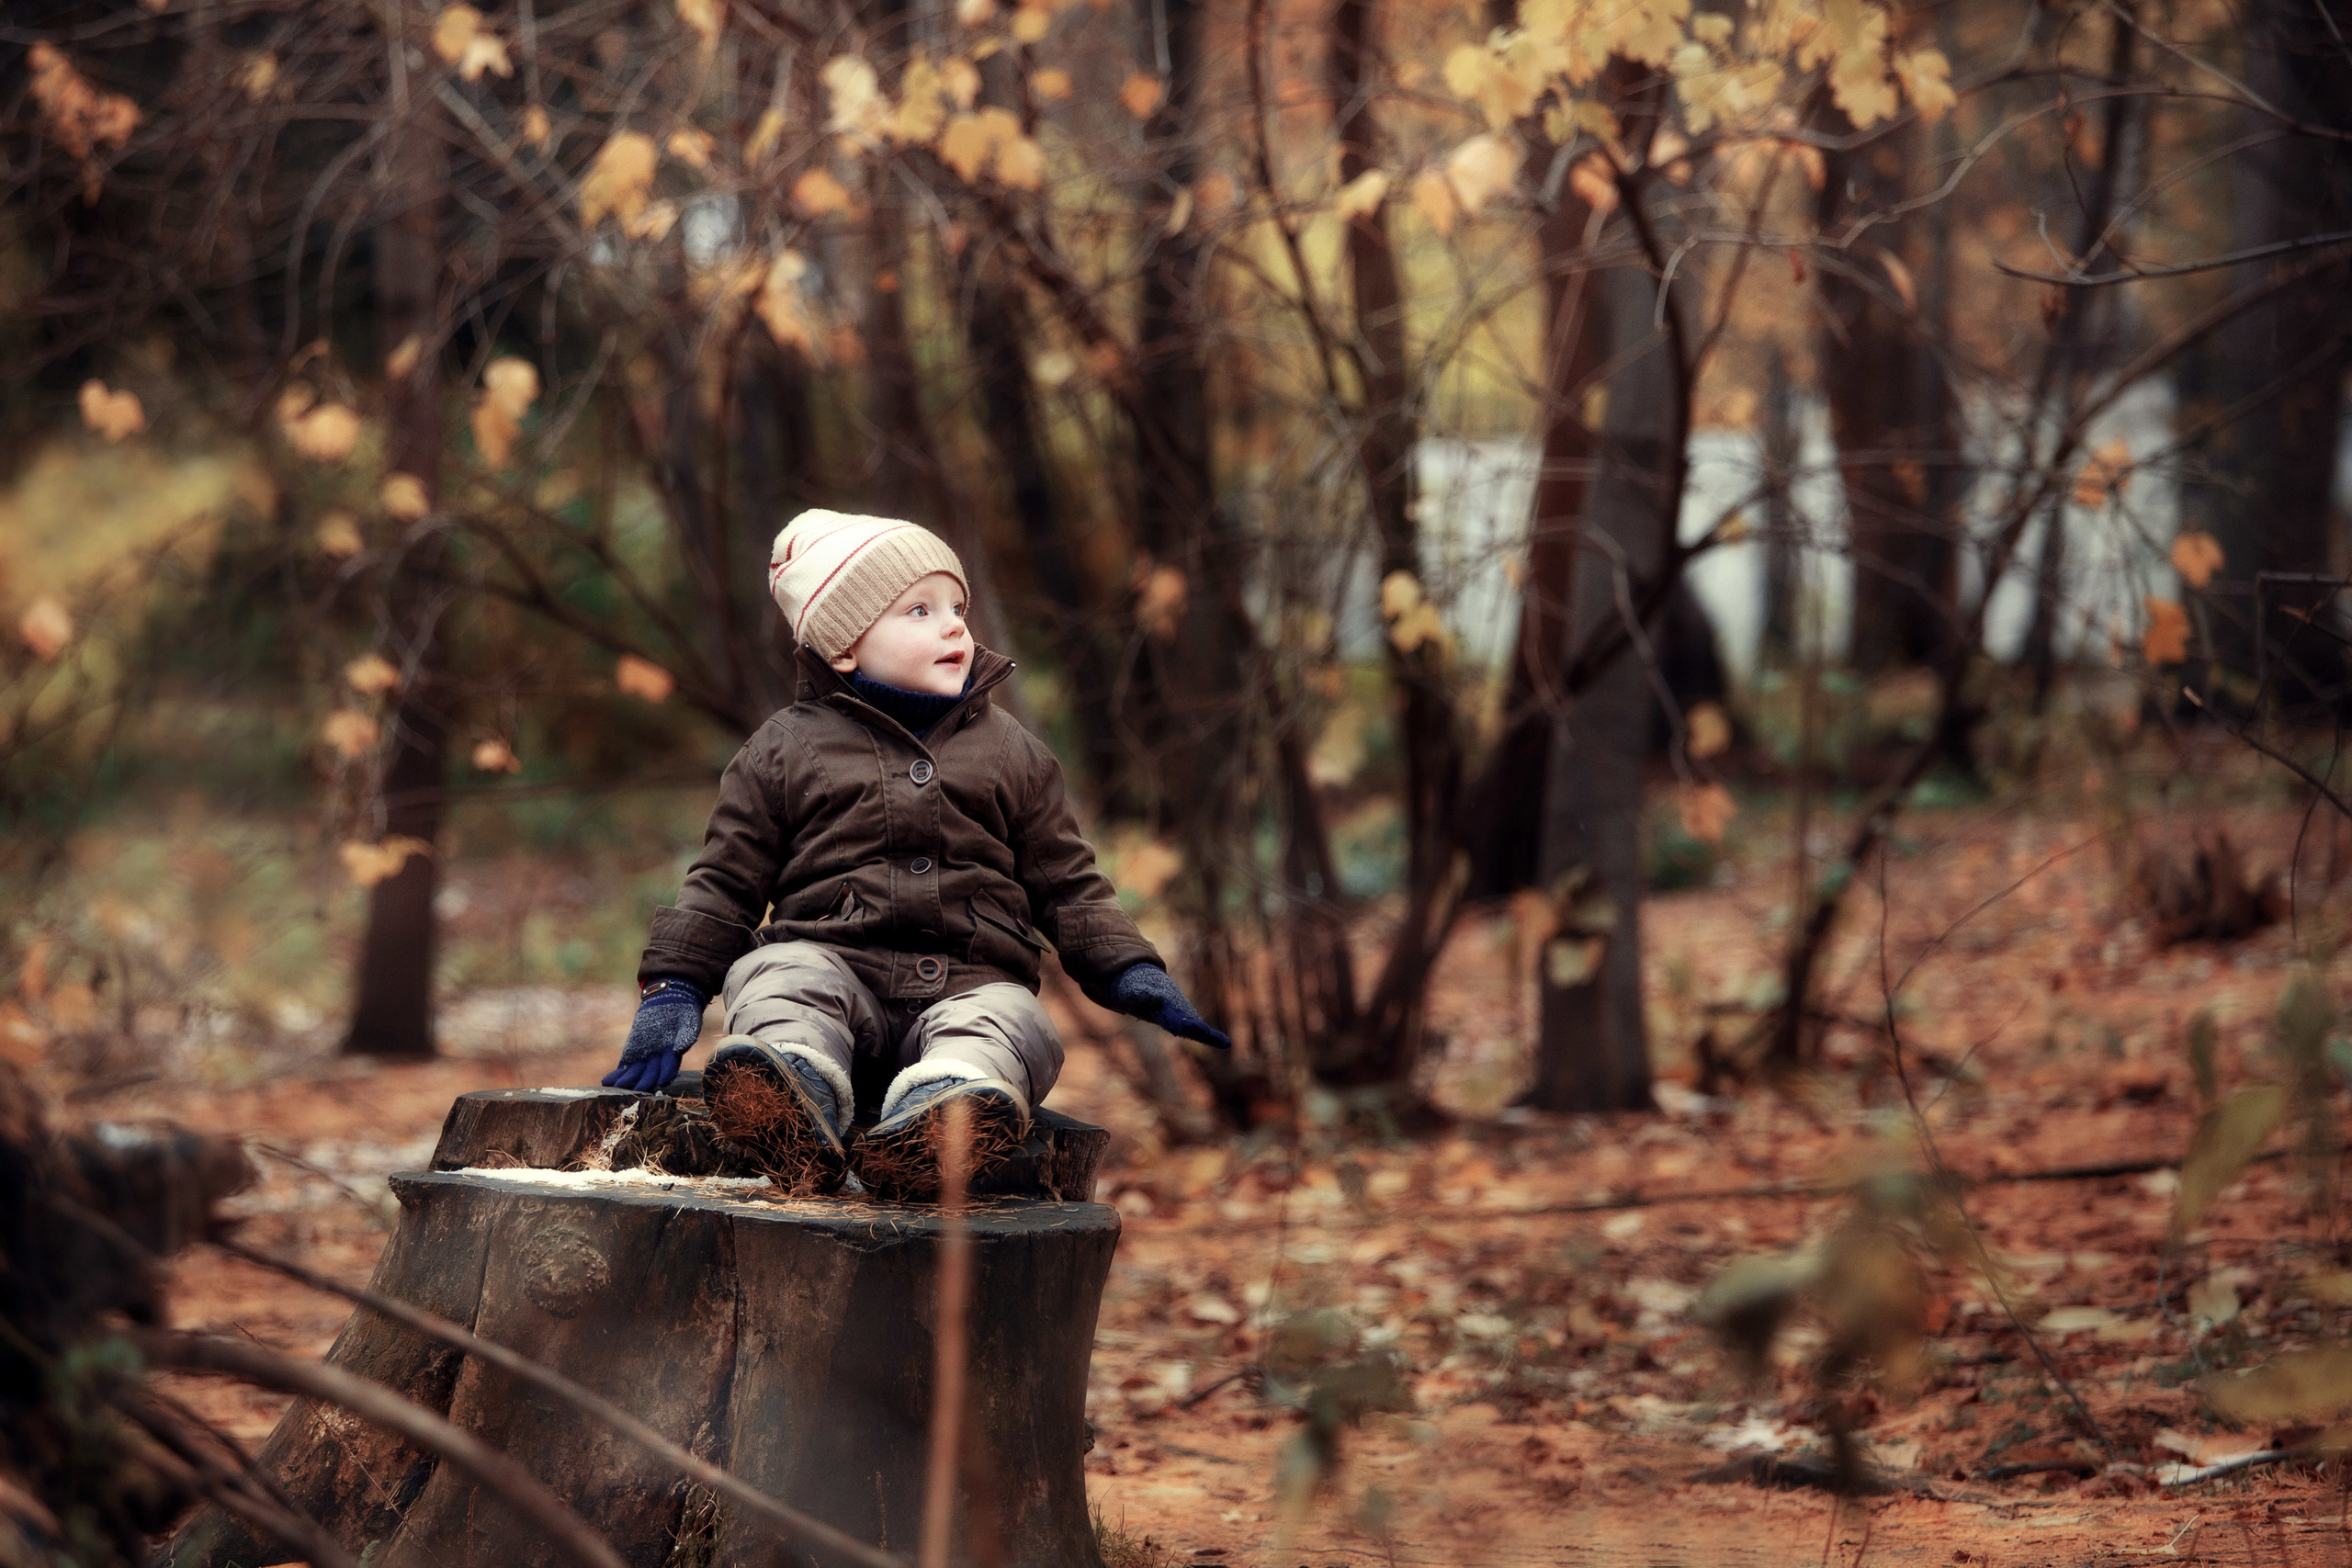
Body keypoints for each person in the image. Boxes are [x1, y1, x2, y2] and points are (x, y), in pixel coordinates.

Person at [602, 509, 1228, 1199]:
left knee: (1014, 1018)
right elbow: (724, 880)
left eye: (957, 608)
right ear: (844, 647)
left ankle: (945, 1116)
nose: (954, 626)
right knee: (776, 973)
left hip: (969, 986)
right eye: (920, 610)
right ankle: (791, 1089)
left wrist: (1130, 967)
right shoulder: (783, 749)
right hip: (833, 971)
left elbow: (1069, 883)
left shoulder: (1010, 751)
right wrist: (675, 987)